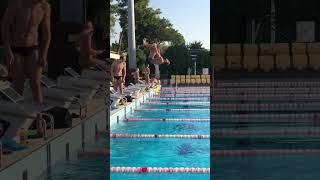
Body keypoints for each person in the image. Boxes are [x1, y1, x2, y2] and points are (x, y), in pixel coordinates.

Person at [1, 0, 51, 103]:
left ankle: (39, 116)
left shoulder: (45, 7)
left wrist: (44, 55)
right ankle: (18, 115)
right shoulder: (16, 3)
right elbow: (5, 27)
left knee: (36, 83)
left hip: (33, 47)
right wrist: (7, 50)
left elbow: (47, 33)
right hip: (16, 48)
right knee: (18, 84)